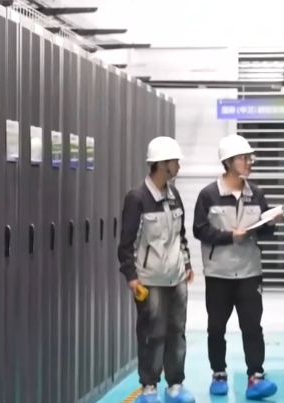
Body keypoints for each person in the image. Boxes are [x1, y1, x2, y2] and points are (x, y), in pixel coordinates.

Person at [192, 134, 282, 400]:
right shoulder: (208, 195)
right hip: (218, 273)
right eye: (244, 158)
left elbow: (264, 233)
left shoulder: (256, 194)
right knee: (216, 328)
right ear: (228, 162)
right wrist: (229, 236)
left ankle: (256, 376)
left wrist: (270, 223)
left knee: (252, 327)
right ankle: (218, 373)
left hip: (249, 272)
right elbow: (199, 230)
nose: (249, 162)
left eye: (249, 158)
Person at [117, 136, 196, 403]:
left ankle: (176, 386)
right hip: (150, 280)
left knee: (177, 333)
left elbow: (180, 236)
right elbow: (126, 242)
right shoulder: (137, 198)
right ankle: (149, 387)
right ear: (162, 164)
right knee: (153, 333)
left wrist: (187, 264)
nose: (179, 166)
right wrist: (131, 276)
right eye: (175, 161)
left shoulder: (174, 196)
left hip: (177, 278)